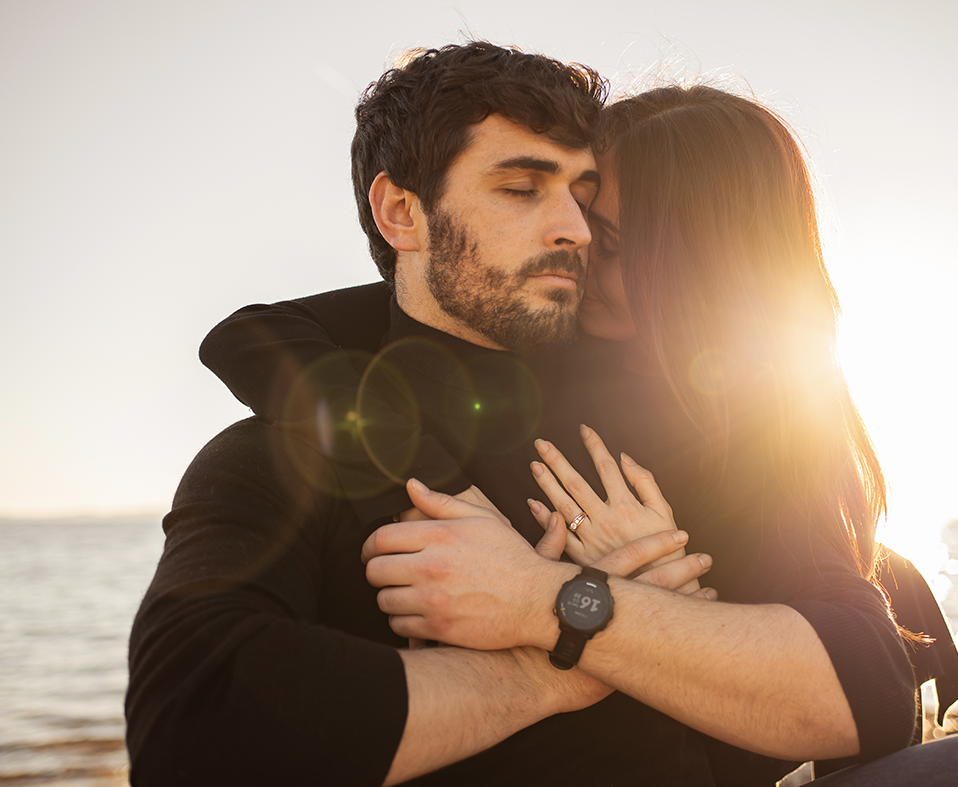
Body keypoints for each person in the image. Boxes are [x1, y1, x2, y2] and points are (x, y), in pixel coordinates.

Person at [126, 43, 714, 787]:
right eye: (521, 188)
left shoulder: (667, 408)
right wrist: (548, 672)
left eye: (582, 194)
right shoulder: (282, 452)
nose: (577, 229)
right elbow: (191, 728)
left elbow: (839, 674)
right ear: (402, 212)